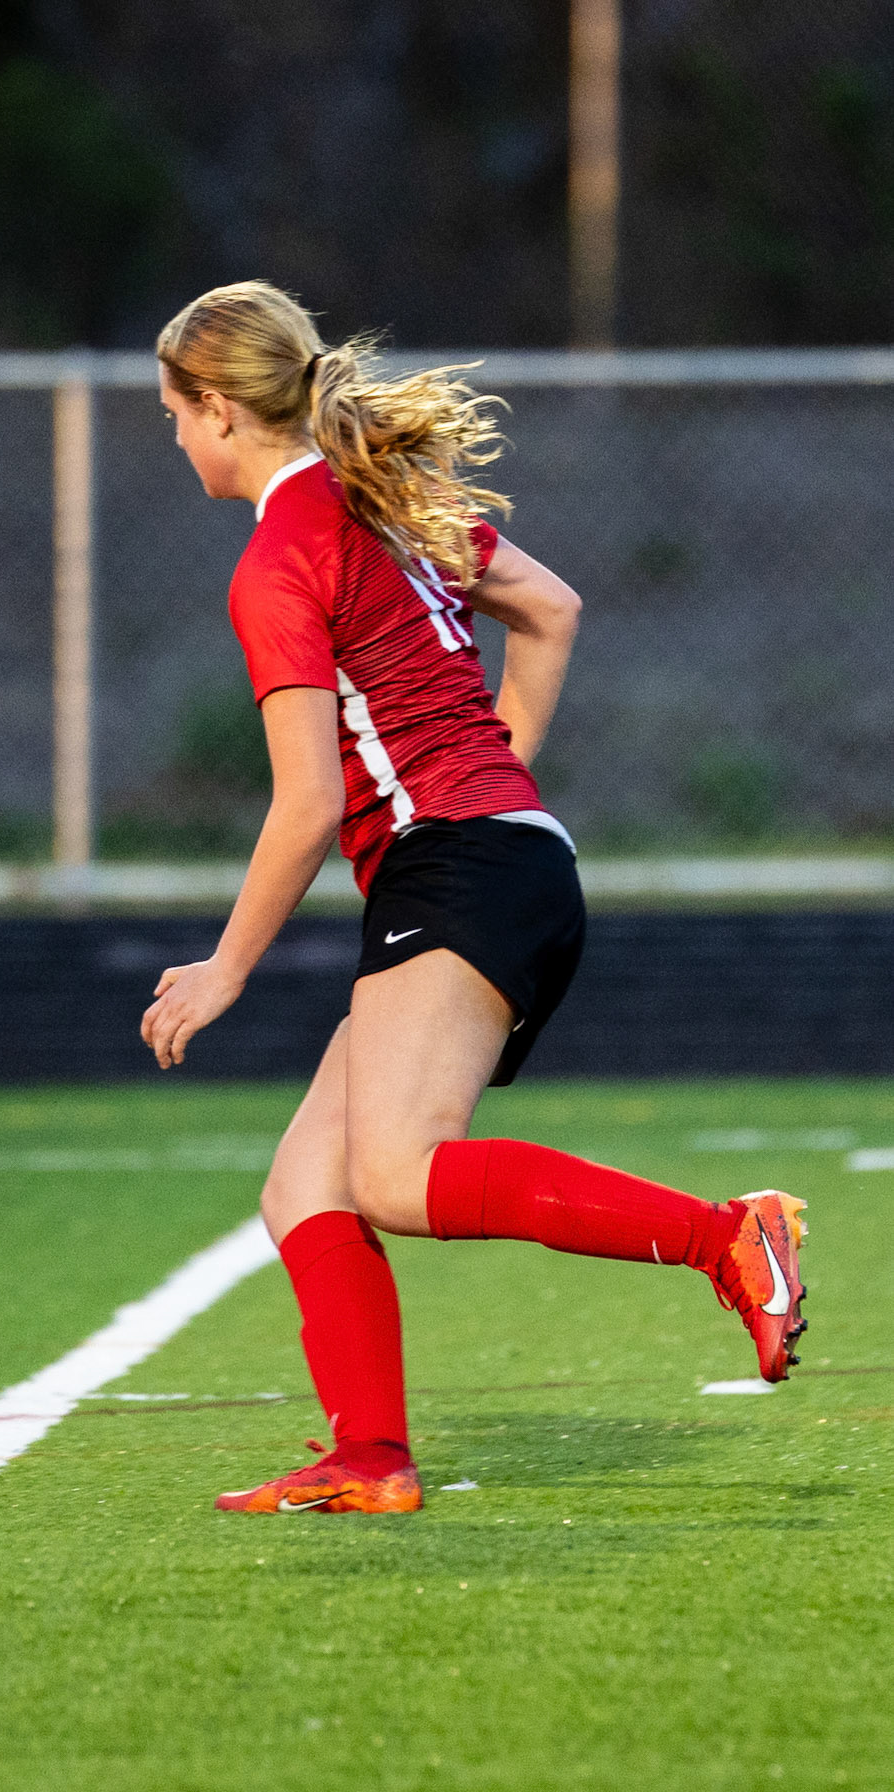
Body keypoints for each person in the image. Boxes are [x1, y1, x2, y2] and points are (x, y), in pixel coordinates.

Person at [142, 281, 807, 1514]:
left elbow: (304, 803)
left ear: (222, 410)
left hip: (458, 864)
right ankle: (372, 1457)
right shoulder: (384, 500)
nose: (175, 437)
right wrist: (497, 783)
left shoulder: (281, 558)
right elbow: (550, 610)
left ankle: (727, 1236)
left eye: (175, 413)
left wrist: (225, 966)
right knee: (307, 1186)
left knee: (396, 1175)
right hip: (503, 852)